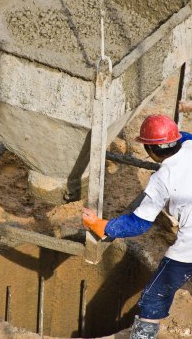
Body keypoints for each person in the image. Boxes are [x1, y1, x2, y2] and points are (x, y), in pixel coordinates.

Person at [82, 114, 192, 339]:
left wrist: (102, 225)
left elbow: (138, 224)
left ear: (150, 150)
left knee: (153, 298)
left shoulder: (162, 179)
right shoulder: (189, 144)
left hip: (190, 245)